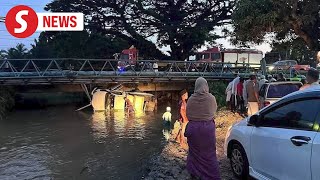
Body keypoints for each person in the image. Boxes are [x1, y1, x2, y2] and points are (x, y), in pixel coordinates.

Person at [185, 77, 220, 180]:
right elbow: (214, 112)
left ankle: (195, 174)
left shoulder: (191, 99)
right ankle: (211, 176)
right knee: (209, 154)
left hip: (194, 129)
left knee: (194, 153)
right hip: (207, 130)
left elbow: (188, 114)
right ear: (206, 85)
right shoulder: (211, 98)